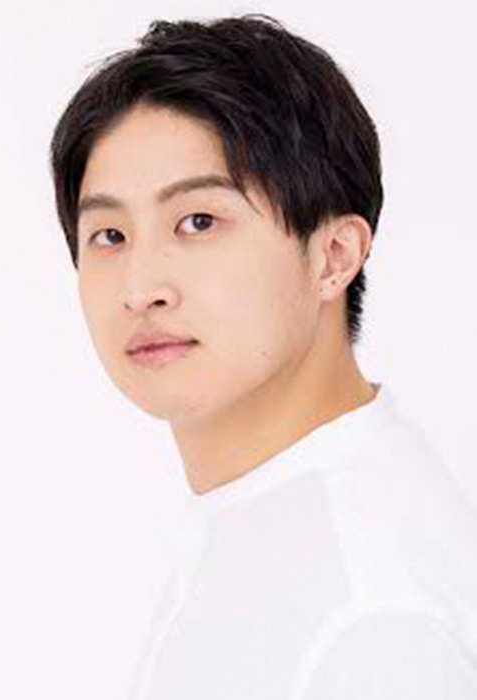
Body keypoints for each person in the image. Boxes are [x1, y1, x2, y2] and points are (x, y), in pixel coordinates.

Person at [48, 13, 477, 699]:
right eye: (109, 235)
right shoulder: (261, 513)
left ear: (333, 256)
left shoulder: (371, 613)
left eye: (199, 221)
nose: (139, 288)